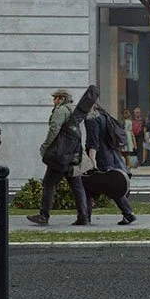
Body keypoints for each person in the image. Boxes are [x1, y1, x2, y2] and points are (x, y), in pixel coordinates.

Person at [29, 86, 93, 226]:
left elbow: (54, 130)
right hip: (73, 154)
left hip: (60, 155)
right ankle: (83, 217)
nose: (54, 100)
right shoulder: (74, 111)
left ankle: (43, 216)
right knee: (77, 185)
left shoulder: (61, 110)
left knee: (48, 183)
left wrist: (45, 148)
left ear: (62, 99)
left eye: (55, 98)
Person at [83, 97, 137, 225]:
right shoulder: (104, 115)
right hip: (112, 155)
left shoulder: (91, 119)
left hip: (101, 158)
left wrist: (92, 162)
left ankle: (85, 217)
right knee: (111, 186)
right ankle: (128, 213)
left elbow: (93, 143)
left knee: (89, 185)